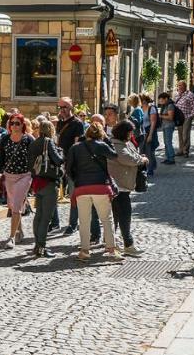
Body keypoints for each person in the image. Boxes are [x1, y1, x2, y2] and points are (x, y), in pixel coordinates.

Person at [65, 121, 119, 262]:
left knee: (84, 220)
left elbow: (68, 168)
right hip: (100, 186)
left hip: (82, 187)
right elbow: (114, 155)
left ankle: (84, 250)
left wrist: (77, 180)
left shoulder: (75, 148)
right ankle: (111, 249)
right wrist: (107, 140)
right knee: (106, 219)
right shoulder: (102, 145)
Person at [106, 121, 146, 256]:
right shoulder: (116, 145)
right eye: (130, 132)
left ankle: (112, 243)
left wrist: (139, 158)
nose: (132, 135)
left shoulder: (124, 143)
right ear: (124, 132)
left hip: (123, 186)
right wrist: (142, 160)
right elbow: (128, 158)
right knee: (124, 216)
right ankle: (128, 245)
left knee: (118, 217)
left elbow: (135, 154)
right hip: (119, 188)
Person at [0, 113, 34, 246]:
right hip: (9, 176)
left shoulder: (28, 139)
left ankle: (11, 237)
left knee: (16, 205)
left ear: (23, 125)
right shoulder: (5, 138)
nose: (14, 126)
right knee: (13, 205)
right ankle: (20, 230)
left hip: (24, 175)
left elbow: (34, 158)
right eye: (12, 123)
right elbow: (1, 156)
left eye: (17, 123)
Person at [27, 119, 64, 258]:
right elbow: (58, 160)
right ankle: (41, 246)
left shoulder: (34, 143)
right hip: (49, 182)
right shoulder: (49, 142)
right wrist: (61, 152)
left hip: (37, 182)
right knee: (46, 218)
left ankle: (37, 245)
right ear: (51, 130)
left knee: (39, 215)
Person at [55, 97, 89, 236]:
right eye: (60, 107)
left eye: (65, 107)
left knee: (73, 194)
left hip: (72, 163)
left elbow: (77, 145)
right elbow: (57, 142)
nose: (62, 110)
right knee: (55, 193)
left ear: (71, 108)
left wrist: (71, 163)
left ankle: (73, 223)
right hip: (60, 161)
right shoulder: (59, 123)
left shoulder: (77, 124)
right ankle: (55, 222)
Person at [156, 92, 185, 165]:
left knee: (168, 142)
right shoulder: (165, 105)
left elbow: (170, 117)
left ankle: (171, 158)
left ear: (166, 99)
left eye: (161, 100)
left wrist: (160, 116)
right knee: (166, 142)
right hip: (165, 125)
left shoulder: (170, 105)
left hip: (169, 126)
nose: (160, 102)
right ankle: (167, 157)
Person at [174, 81, 194, 159]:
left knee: (185, 134)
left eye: (180, 85)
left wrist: (191, 116)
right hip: (179, 118)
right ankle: (181, 150)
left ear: (185, 86)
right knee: (180, 134)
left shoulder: (190, 95)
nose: (179, 87)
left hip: (187, 117)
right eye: (178, 86)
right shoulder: (177, 95)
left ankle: (186, 151)